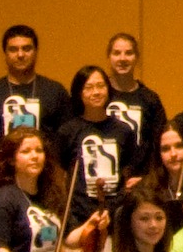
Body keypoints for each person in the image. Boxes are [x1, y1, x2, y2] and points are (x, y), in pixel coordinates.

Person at [0, 26, 74, 210]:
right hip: (0, 184)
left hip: (45, 186)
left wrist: (61, 184)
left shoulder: (54, 92)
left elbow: (68, 142)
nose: (20, 54)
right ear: (5, 54)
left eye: (26, 48)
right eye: (13, 49)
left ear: (35, 52)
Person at [53, 66, 138, 224]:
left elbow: (128, 171)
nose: (96, 92)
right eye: (89, 88)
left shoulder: (123, 130)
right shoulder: (67, 131)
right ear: (79, 92)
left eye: (101, 86)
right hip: (79, 215)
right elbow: (59, 174)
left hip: (116, 213)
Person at [102, 34, 168, 164]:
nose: (122, 58)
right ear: (109, 57)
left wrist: (146, 178)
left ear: (136, 57)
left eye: (129, 53)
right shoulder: (98, 95)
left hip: (140, 178)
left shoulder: (150, 99)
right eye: (116, 53)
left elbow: (159, 144)